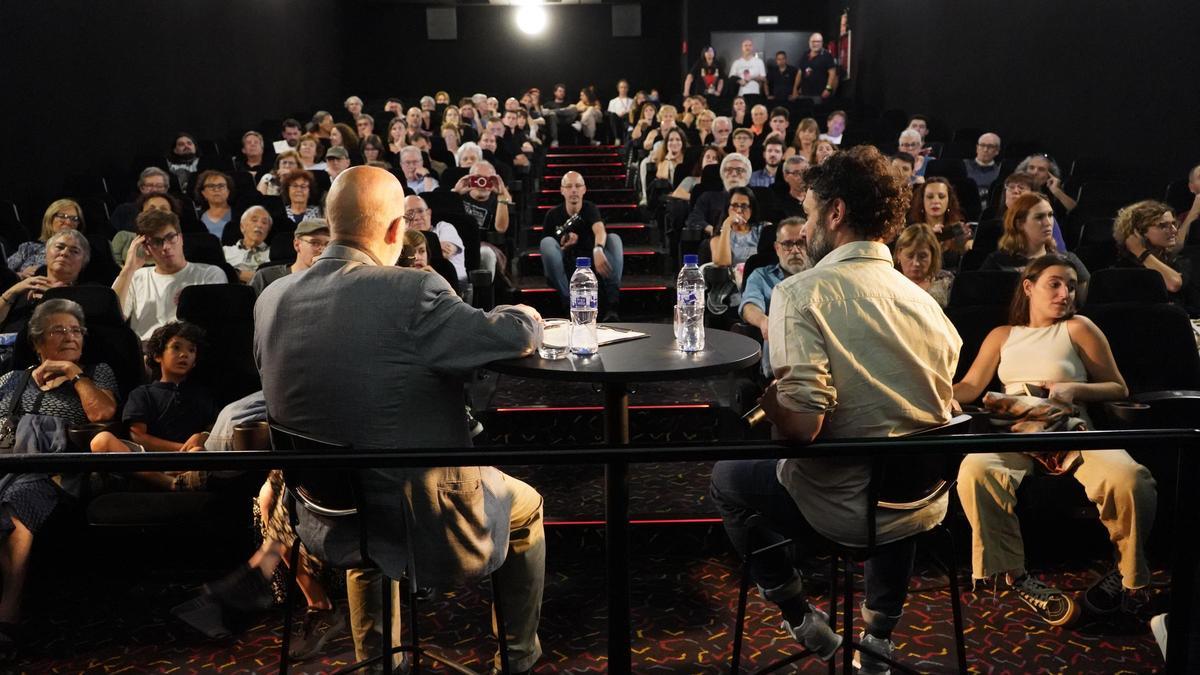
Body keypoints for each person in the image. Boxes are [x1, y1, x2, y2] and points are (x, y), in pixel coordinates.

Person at [245, 166, 546, 673]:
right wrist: (526, 315)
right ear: (393, 231)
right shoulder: (413, 291)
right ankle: (517, 659)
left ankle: (378, 664)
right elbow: (509, 336)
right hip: (422, 515)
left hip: (327, 514)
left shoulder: (272, 296)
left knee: (366, 506)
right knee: (527, 506)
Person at [710, 145, 961, 671]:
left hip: (842, 510)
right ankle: (879, 639)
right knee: (894, 460)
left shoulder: (801, 294)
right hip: (923, 503)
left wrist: (774, 403)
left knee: (726, 479)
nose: (804, 228)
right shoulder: (929, 307)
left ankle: (798, 613)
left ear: (836, 212)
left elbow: (803, 428)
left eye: (808, 212)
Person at [954, 253, 1156, 626]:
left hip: (1072, 428)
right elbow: (968, 387)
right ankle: (1016, 576)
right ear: (1029, 287)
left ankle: (1130, 576)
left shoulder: (1079, 327)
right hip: (1018, 432)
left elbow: (1118, 386)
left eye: (1072, 286)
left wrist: (1071, 388)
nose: (1066, 294)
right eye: (1056, 284)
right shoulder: (1002, 335)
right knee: (975, 469)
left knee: (1131, 478)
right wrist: (939, 394)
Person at [0, 299, 119, 648]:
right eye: (58, 330)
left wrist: (73, 373)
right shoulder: (10, 379)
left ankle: (8, 612)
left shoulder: (97, 372)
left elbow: (103, 414)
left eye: (76, 330)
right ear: (37, 342)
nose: (70, 336)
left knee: (16, 502)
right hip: (7, 461)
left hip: (58, 469)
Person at [89, 321, 217, 491]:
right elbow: (138, 436)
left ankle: (183, 480)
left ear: (195, 361)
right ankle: (169, 483)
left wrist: (203, 435)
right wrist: (182, 449)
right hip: (149, 461)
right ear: (158, 355)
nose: (184, 354)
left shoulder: (201, 394)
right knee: (101, 440)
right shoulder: (143, 393)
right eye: (176, 348)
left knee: (199, 453)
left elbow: (214, 426)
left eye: (191, 350)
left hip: (190, 461)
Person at [112, 209, 226, 340]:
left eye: (171, 237)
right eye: (156, 241)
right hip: (145, 351)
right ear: (146, 248)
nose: (165, 246)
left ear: (181, 238)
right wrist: (128, 270)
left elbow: (215, 323)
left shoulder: (210, 274)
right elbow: (113, 317)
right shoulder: (135, 277)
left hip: (191, 348)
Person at [538, 171, 624, 320]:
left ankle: (612, 304)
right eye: (569, 186)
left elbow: (599, 229)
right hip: (564, 266)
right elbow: (547, 250)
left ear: (584, 189)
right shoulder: (552, 215)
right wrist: (563, 246)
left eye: (578, 186)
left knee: (614, 239)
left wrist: (598, 249)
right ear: (562, 190)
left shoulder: (590, 208)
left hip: (592, 261)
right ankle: (568, 303)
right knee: (547, 243)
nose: (573, 190)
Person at [981, 193, 1091, 301]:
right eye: (1039, 217)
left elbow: (1084, 305)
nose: (1048, 223)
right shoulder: (996, 262)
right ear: (1020, 224)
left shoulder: (1067, 260)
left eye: (1050, 215)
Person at [739, 216, 808, 377]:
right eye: (788, 244)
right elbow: (749, 306)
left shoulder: (820, 274)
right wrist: (764, 321)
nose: (795, 250)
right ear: (777, 248)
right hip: (780, 352)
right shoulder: (760, 276)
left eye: (801, 243)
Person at [1113, 200, 1198, 315]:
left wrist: (1142, 253)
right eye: (1163, 226)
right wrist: (1141, 252)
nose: (1174, 230)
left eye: (1174, 224)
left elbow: (1174, 284)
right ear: (1138, 232)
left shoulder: (1181, 261)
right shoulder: (1124, 267)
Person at [0, 229, 92, 334]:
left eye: (74, 251)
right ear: (46, 253)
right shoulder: (23, 288)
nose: (64, 253)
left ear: (84, 262)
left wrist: (56, 297)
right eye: (59, 247)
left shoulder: (87, 295)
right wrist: (11, 292)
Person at [249, 218, 329, 295]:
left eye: (328, 244)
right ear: (297, 245)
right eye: (315, 243)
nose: (323, 250)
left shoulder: (333, 281)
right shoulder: (266, 277)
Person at [8, 199, 85, 278]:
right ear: (50, 219)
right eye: (62, 216)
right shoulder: (28, 248)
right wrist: (21, 275)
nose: (68, 222)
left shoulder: (81, 253)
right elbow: (4, 273)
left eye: (74, 218)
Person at [404, 195, 467, 286]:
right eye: (410, 213)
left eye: (420, 211)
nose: (417, 217)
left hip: (455, 284)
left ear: (429, 213)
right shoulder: (402, 236)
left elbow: (444, 253)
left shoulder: (444, 228)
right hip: (413, 282)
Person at [908, 178, 970, 270]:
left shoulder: (958, 230)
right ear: (922, 201)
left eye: (941, 196)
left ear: (949, 201)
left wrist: (965, 246)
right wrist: (928, 238)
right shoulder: (911, 231)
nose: (935, 201)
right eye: (930, 197)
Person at [687, 152, 752, 237]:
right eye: (729, 170)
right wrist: (713, 230)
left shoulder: (757, 198)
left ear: (747, 175)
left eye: (739, 170)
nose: (734, 174)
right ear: (722, 174)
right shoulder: (708, 197)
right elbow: (694, 219)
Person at [895, 224, 954, 307]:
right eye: (910, 256)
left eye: (923, 257)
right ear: (899, 254)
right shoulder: (888, 284)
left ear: (933, 255)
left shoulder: (946, 283)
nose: (916, 263)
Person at [709, 187, 763, 270]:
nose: (739, 210)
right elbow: (723, 263)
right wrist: (726, 225)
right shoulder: (718, 238)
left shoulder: (762, 230)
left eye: (744, 206)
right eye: (734, 205)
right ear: (727, 208)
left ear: (751, 209)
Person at [1014, 154, 1077, 221]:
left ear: (1050, 175)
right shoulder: (1014, 188)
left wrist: (1057, 191)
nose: (1035, 172)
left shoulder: (1052, 194)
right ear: (1025, 170)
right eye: (1031, 168)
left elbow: (1075, 211)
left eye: (1041, 169)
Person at [110, 167, 172, 232]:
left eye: (159, 186)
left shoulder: (174, 211)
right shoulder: (124, 211)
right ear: (142, 188)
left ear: (166, 189)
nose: (154, 190)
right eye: (149, 185)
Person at [223, 206, 272, 284]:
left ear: (268, 230)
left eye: (264, 222)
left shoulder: (272, 254)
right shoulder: (225, 251)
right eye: (254, 220)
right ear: (242, 227)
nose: (259, 225)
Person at [964, 133, 1003, 210]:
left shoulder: (1000, 170)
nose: (985, 150)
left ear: (997, 151)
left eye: (990, 146)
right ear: (977, 148)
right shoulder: (963, 166)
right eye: (982, 145)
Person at [194, 170, 236, 239]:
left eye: (221, 186)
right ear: (203, 193)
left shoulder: (240, 214)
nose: (216, 189)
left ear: (228, 191)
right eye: (211, 186)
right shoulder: (198, 219)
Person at [795, 32, 838, 100]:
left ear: (822, 43)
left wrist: (828, 89)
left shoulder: (827, 55)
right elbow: (799, 73)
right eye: (813, 41)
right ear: (809, 42)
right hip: (804, 94)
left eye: (818, 41)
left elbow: (832, 73)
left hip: (820, 95)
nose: (815, 44)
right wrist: (795, 89)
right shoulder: (805, 55)